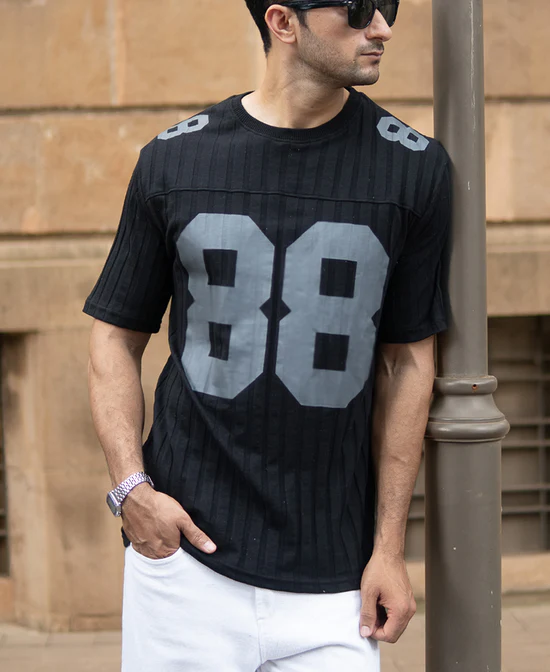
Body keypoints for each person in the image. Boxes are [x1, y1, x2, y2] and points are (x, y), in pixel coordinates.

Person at [85, 1, 451, 670]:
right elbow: (115, 336)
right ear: (283, 22)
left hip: (337, 580)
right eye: (357, 7)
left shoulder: (415, 168)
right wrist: (131, 491)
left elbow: (410, 364)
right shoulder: (174, 160)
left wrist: (389, 549)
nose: (381, 26)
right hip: (185, 562)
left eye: (389, 5)